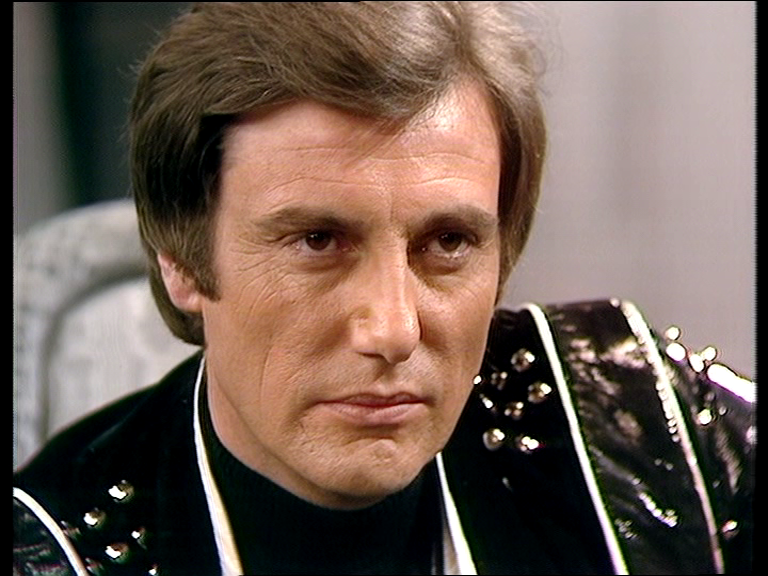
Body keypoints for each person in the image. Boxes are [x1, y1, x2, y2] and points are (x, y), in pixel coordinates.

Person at [13, 2, 754, 575]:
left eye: (448, 243)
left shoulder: (641, 421)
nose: (394, 330)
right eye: (318, 241)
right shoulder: (50, 552)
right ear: (180, 260)